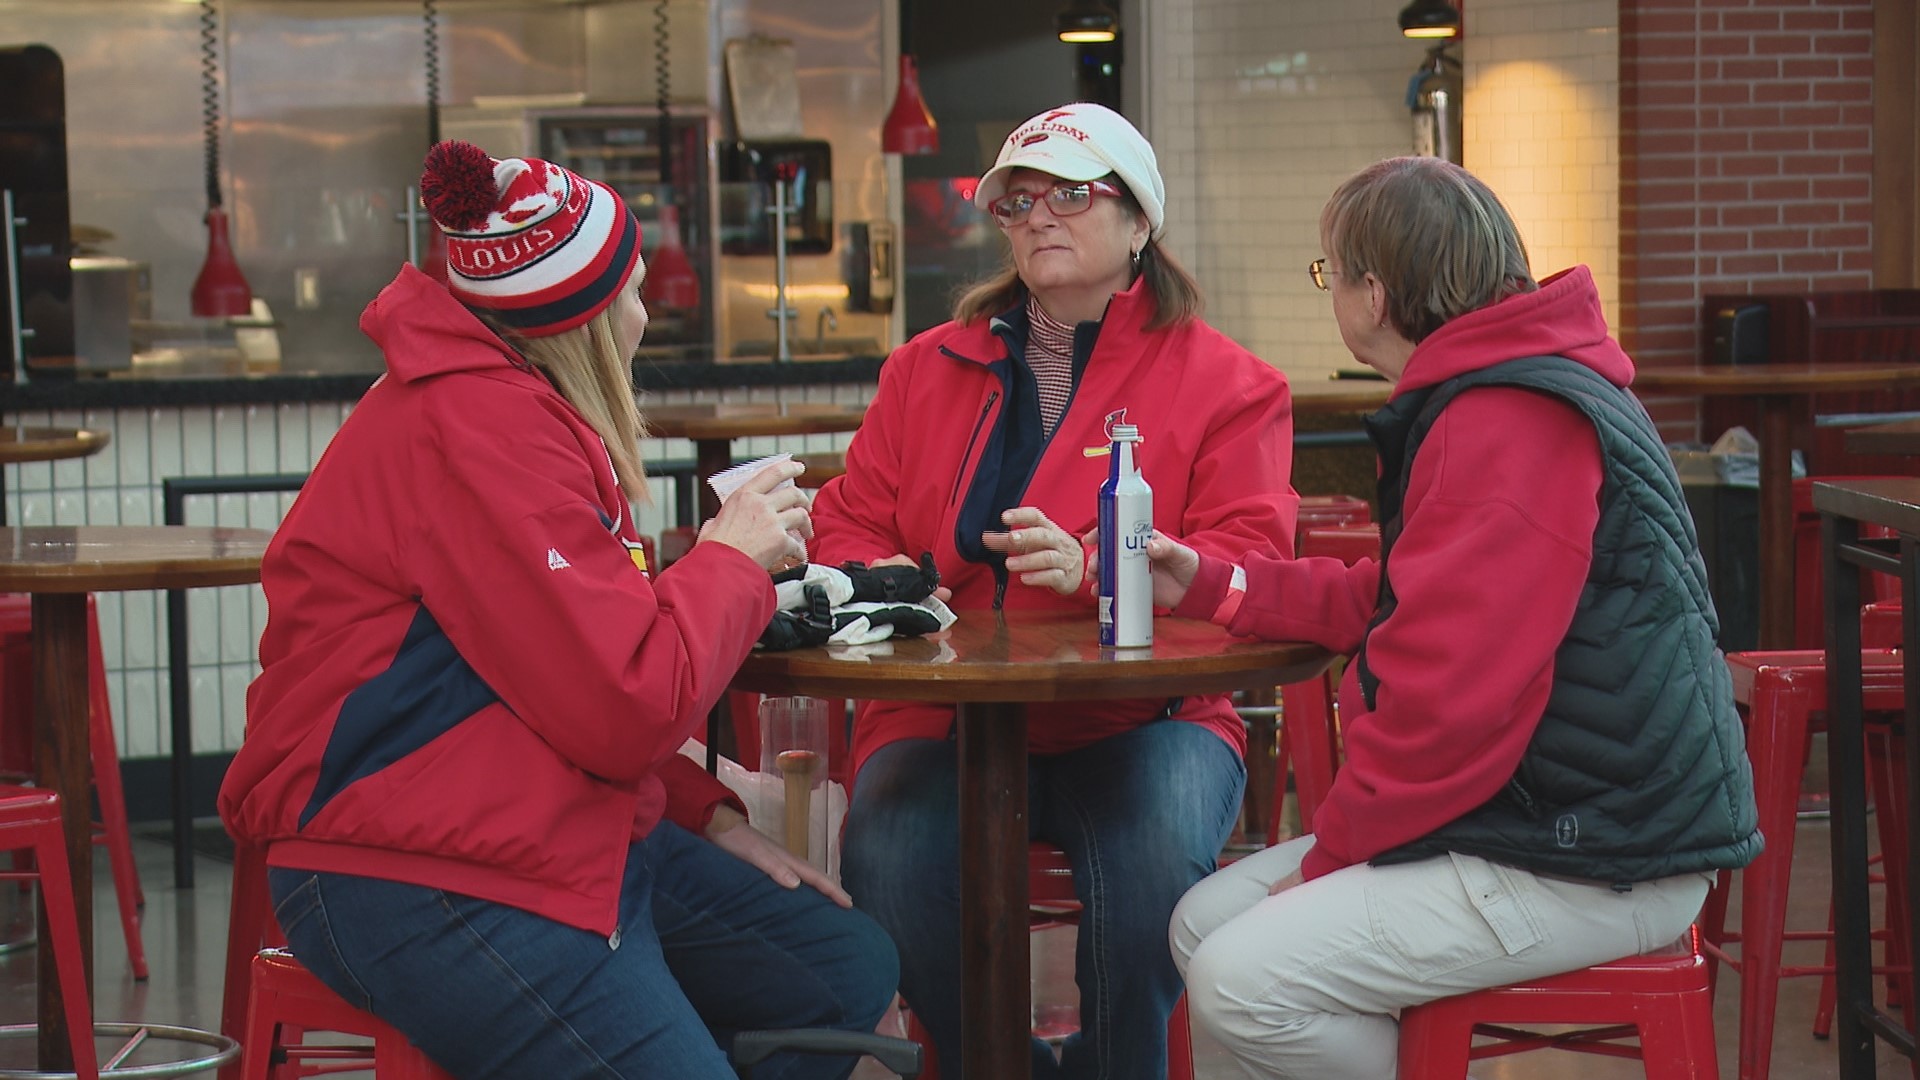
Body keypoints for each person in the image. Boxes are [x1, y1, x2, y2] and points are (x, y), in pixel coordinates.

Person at [218, 141, 898, 1080]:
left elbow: (563, 669)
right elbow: (622, 702)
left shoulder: (500, 405)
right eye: (630, 290)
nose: (646, 315)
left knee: (840, 964)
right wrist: (730, 560)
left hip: (522, 821)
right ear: (578, 319)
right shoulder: (482, 433)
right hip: (415, 870)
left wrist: (701, 809)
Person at [1158, 155, 1761, 1079]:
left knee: (1241, 978)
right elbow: (1408, 598)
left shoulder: (1506, 421)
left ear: (1375, 290)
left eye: (1330, 272)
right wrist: (1212, 582)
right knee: (1203, 928)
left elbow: (1449, 706)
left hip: (1592, 855)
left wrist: (1334, 863)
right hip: (1551, 821)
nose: (1332, 295)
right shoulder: (1507, 392)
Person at [809, 102, 1299, 1078]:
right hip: (945, 716)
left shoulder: (1231, 383)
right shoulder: (924, 370)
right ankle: (1003, 1067)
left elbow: (1253, 562)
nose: (1039, 216)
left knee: (1152, 858)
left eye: (1072, 194)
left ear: (1140, 221)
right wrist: (909, 587)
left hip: (1142, 716)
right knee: (891, 854)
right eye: (1018, 200)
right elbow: (847, 521)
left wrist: (1105, 574)